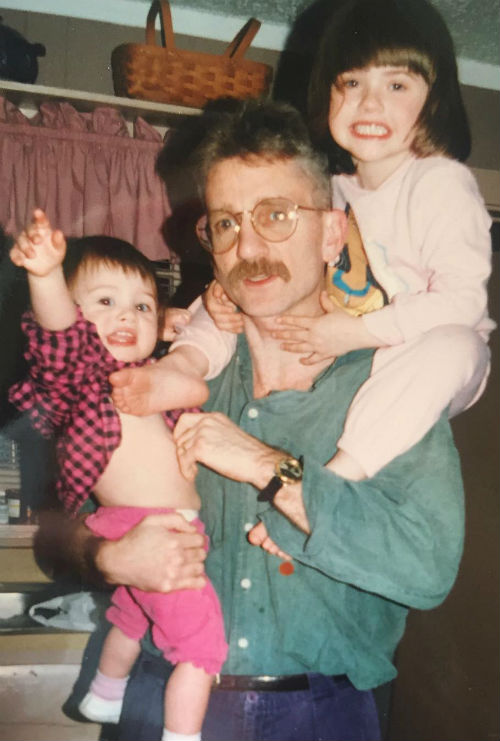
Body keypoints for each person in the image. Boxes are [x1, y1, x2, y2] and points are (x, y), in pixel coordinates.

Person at [43, 99, 465, 741]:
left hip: (320, 715)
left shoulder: (395, 389)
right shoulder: (161, 375)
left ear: (331, 232)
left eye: (276, 215)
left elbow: (427, 568)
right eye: (226, 223)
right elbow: (56, 524)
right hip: (159, 700)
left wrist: (271, 468)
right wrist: (107, 556)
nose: (250, 246)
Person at [122, 0, 494, 492]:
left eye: (397, 84)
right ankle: (182, 365)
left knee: (453, 345)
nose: (370, 103)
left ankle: (339, 477)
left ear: (435, 100)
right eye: (352, 83)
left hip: (430, 350)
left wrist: (357, 334)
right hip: (351, 350)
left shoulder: (439, 183)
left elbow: (463, 304)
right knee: (241, 278)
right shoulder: (336, 190)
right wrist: (216, 300)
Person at [8, 213, 227, 741]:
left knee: (131, 615)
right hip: (154, 529)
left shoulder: (147, 381)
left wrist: (178, 320)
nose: (125, 315)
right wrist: (47, 275)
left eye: (141, 305)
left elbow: (188, 345)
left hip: (137, 529)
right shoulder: (83, 379)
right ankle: (182, 736)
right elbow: (60, 333)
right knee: (201, 649)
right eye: (104, 301)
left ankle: (105, 694)